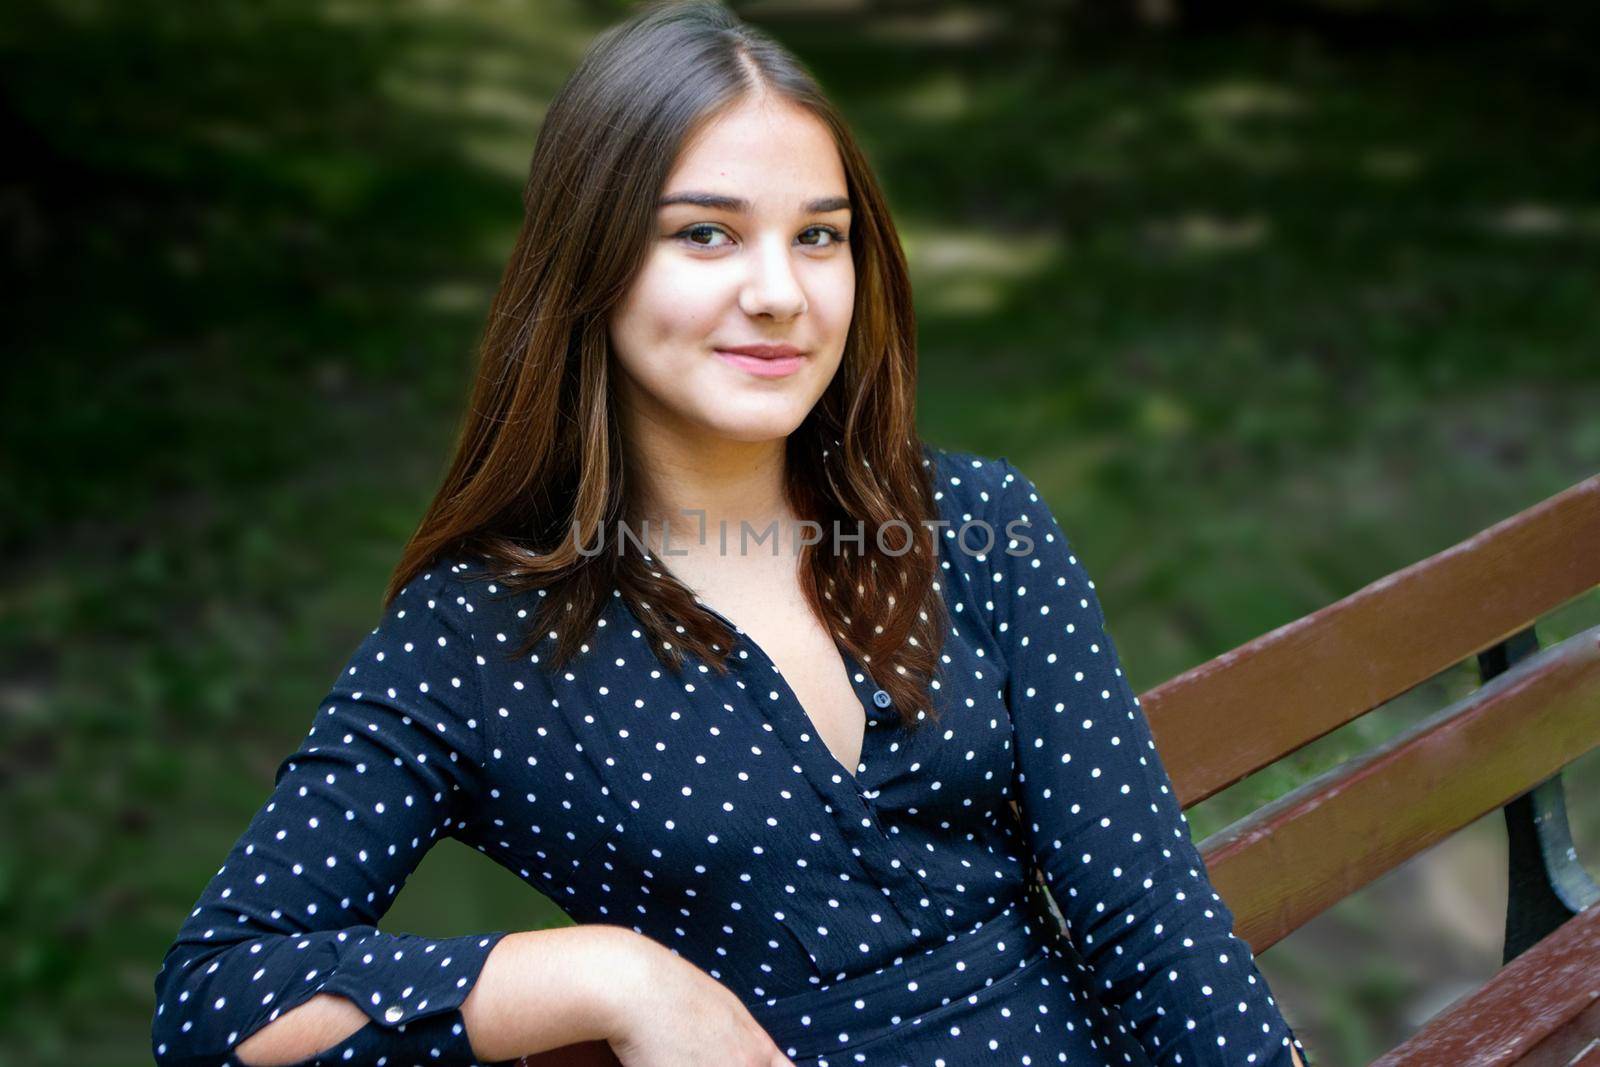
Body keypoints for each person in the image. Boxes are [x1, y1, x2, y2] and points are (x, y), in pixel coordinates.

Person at [150, 2, 1314, 1064]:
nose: (780, 292)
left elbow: (1148, 916)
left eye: (819, 237)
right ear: (589, 270)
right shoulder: (485, 631)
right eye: (706, 234)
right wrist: (615, 974)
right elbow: (218, 996)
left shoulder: (974, 523)